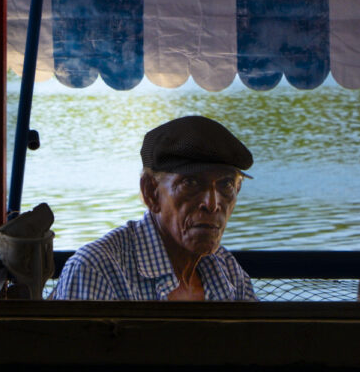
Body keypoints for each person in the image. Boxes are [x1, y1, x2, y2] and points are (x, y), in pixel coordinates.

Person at [50, 115, 256, 301]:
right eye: (191, 183)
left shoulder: (226, 269)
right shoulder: (97, 270)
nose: (212, 204)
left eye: (226, 184)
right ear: (151, 192)